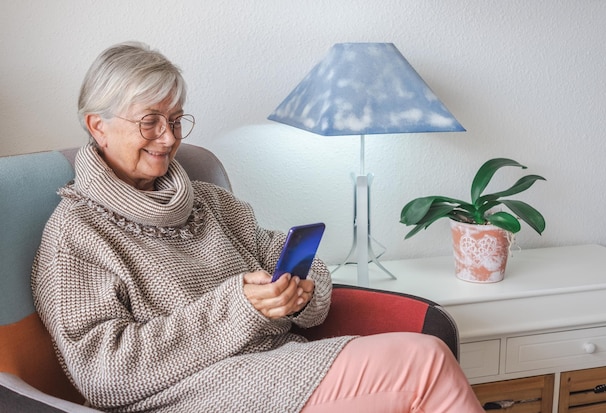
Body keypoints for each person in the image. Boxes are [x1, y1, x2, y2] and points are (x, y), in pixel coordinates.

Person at [31, 42, 483, 413]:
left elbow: (299, 265)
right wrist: (240, 306)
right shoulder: (76, 235)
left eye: (175, 120)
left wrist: (297, 295)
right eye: (150, 121)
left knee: (423, 359)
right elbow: (103, 377)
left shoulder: (210, 203)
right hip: (188, 394)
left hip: (276, 367)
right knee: (423, 362)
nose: (169, 138)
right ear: (99, 127)